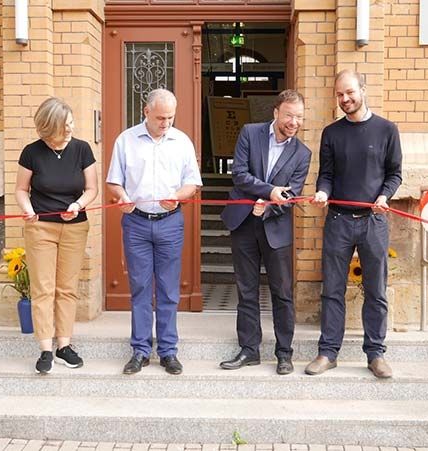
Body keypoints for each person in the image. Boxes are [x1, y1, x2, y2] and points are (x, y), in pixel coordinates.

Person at [306, 69, 402, 379]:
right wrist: (323, 191)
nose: (345, 99)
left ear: (363, 89)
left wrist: (385, 196)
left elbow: (394, 174)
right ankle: (327, 352)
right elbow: (327, 174)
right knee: (332, 289)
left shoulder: (387, 130)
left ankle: (375, 354)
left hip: (373, 220)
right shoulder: (331, 133)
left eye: (350, 92)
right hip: (338, 220)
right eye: (339, 95)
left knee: (375, 290)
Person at [106, 88, 202, 376]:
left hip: (171, 222)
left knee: (169, 289)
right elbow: (114, 182)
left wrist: (178, 195)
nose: (166, 123)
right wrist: (121, 197)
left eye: (170, 118)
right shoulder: (126, 140)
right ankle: (140, 350)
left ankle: (169, 351)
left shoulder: (181, 141)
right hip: (136, 222)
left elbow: (192, 183)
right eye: (160, 117)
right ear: (146, 112)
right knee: (140, 288)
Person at [219, 89, 312, 375]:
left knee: (282, 293)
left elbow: (293, 194)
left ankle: (284, 353)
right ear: (276, 112)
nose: (293, 122)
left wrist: (270, 207)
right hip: (244, 222)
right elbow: (240, 174)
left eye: (298, 117)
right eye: (288, 115)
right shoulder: (250, 133)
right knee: (246, 290)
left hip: (276, 228)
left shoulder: (303, 153)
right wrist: (269, 192)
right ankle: (249, 350)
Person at [15, 97, 98, 374]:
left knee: (67, 288)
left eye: (72, 123)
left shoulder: (82, 149)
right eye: (66, 125)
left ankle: (64, 345)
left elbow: (91, 189)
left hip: (75, 226)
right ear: (49, 128)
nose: (71, 128)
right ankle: (45, 349)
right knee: (43, 288)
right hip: (40, 227)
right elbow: (20, 190)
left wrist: (77, 206)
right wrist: (28, 210)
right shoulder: (31, 152)